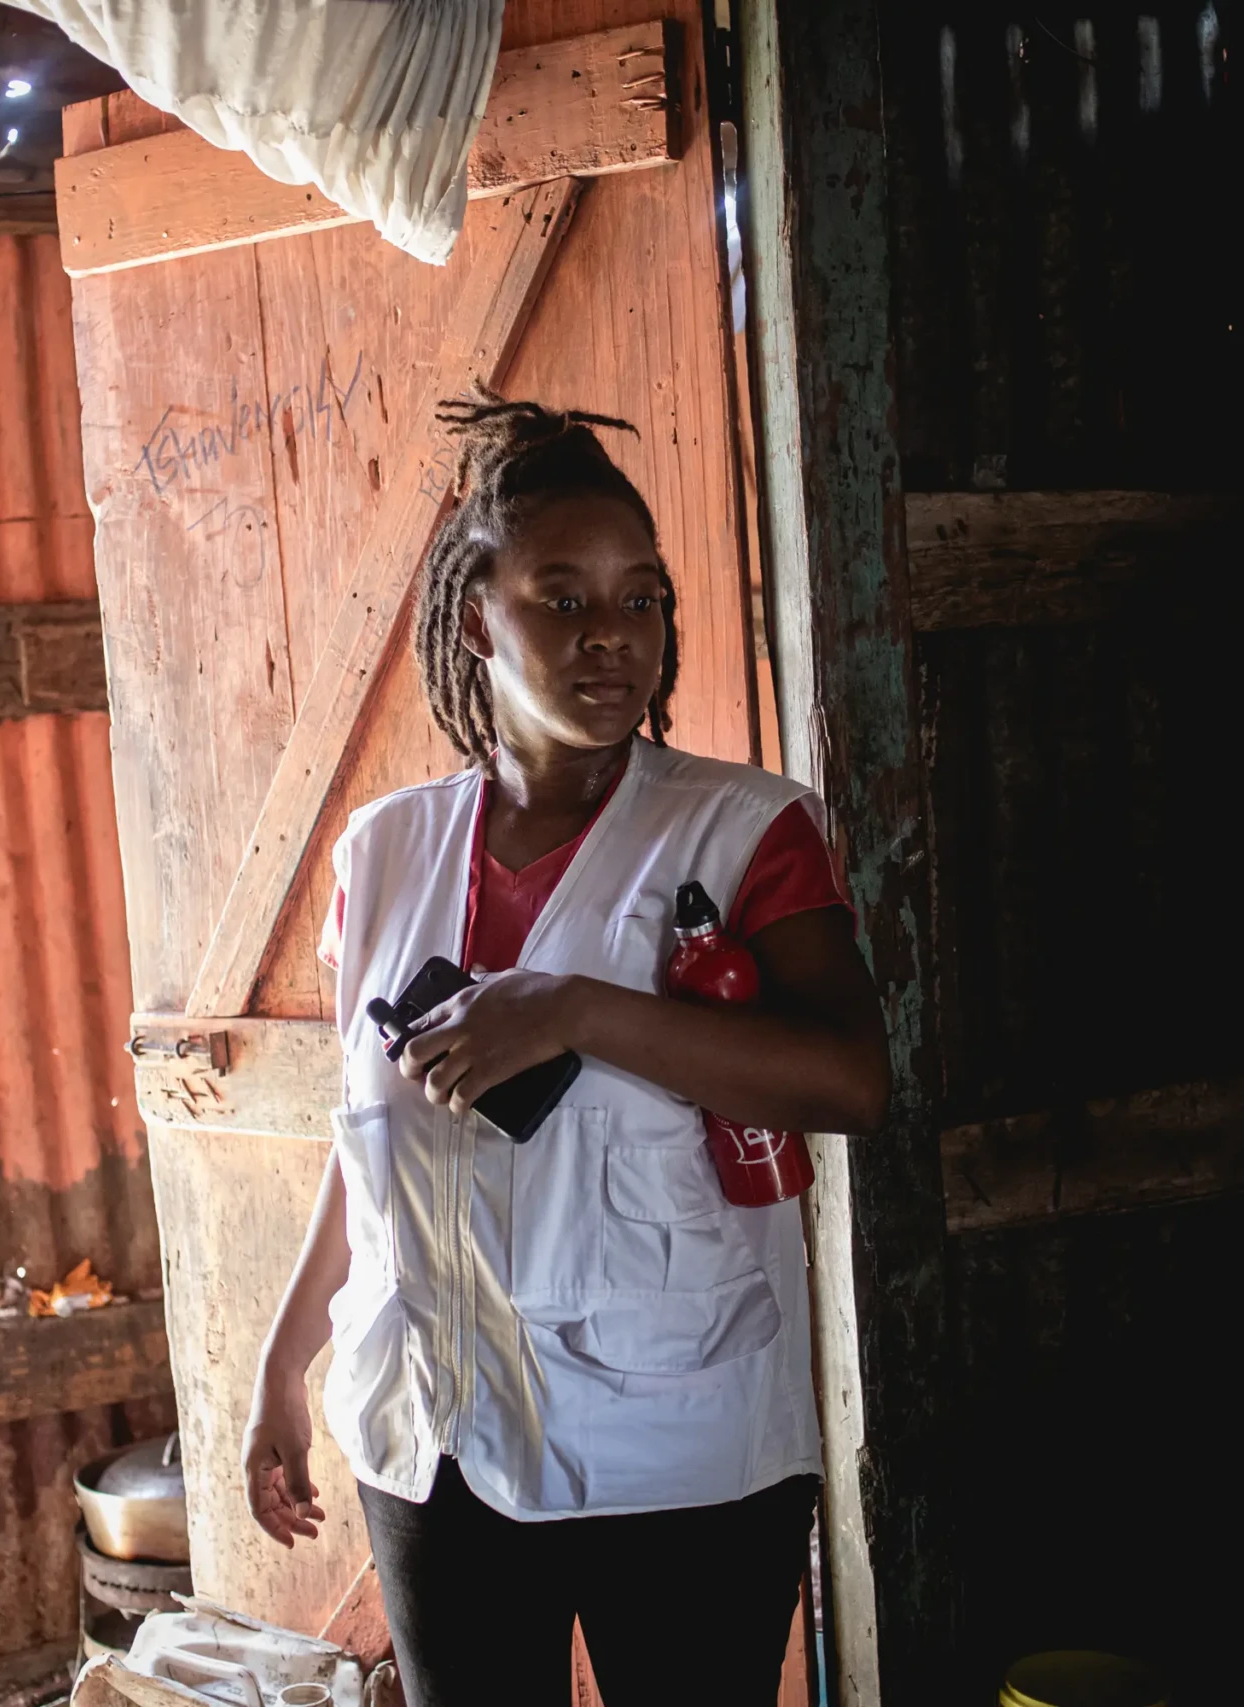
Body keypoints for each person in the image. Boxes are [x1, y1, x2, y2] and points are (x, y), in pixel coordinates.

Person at [241, 393, 890, 1706]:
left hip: (683, 1440)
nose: (614, 638)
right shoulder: (384, 849)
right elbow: (374, 1140)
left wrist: (582, 1010)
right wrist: (286, 1357)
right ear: (477, 614)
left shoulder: (744, 830)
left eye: (640, 598)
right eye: (563, 598)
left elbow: (852, 1079)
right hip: (431, 1431)